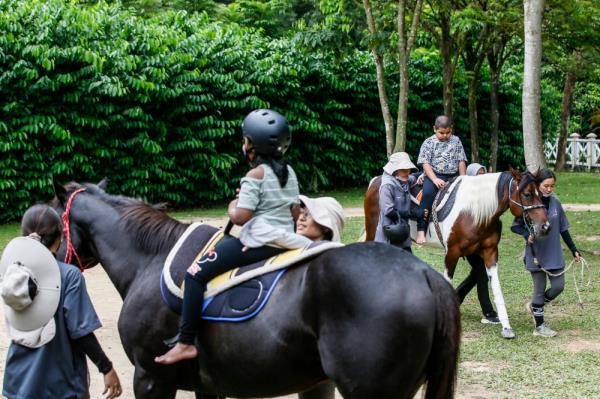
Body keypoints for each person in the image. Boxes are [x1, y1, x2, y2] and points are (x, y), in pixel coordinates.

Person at [156, 109, 306, 365]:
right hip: (284, 241)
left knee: (194, 275)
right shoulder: (289, 173)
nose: (243, 144)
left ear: (251, 145)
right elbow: (293, 211)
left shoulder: (254, 175)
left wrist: (232, 205)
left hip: (259, 242)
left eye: (245, 139)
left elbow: (241, 217)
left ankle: (185, 342)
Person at [1, 204, 122, 399]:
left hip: (18, 382)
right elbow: (81, 331)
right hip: (60, 386)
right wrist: (106, 367)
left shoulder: (12, 273)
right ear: (59, 239)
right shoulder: (69, 276)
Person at [511, 168, 581, 337]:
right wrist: (527, 235)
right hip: (536, 254)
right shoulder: (531, 202)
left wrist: (574, 249)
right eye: (546, 186)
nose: (549, 189)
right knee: (539, 289)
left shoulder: (556, 202)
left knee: (558, 286)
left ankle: (536, 306)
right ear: (538, 185)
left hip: (554, 252)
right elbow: (515, 226)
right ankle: (539, 327)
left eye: (552, 186)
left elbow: (563, 229)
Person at [455, 163, 500, 324]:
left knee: (478, 273)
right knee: (481, 272)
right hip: (469, 242)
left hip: (484, 241)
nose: (481, 178)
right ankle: (488, 312)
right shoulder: (464, 194)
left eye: (483, 174)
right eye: (478, 175)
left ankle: (455, 298)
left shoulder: (488, 195)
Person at [416, 115, 467, 244]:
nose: (445, 136)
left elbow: (461, 161)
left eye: (448, 132)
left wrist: (463, 179)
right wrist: (434, 179)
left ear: (451, 129)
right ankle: (421, 230)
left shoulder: (456, 141)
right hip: (434, 175)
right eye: (441, 133)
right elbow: (425, 163)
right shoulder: (429, 142)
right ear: (434, 129)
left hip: (453, 176)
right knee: (427, 195)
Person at [374, 152, 423, 253]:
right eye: (404, 170)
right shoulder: (387, 186)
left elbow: (413, 177)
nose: (407, 173)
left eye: (408, 170)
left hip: (402, 235)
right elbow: (388, 211)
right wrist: (412, 213)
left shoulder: (404, 179)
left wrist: (424, 174)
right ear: (394, 170)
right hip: (389, 237)